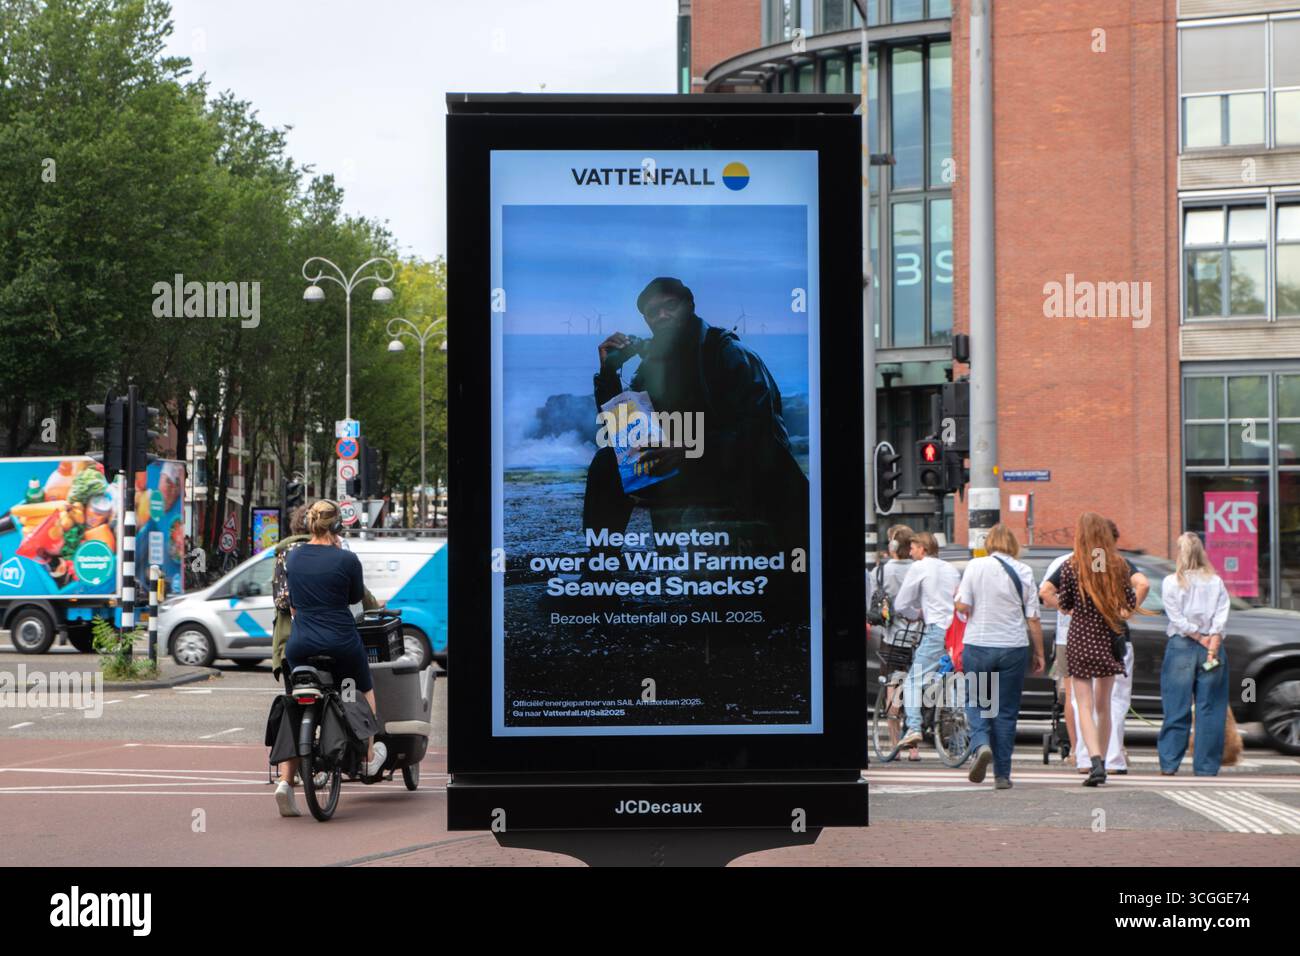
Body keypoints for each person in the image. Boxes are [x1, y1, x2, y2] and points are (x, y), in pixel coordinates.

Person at [583, 277, 808, 560]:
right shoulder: (652, 367)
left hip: (745, 473)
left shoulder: (728, 353)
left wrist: (690, 449)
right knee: (606, 464)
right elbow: (626, 441)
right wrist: (608, 375)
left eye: (671, 306)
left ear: (689, 305)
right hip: (691, 475)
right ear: (647, 320)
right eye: (653, 312)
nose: (662, 315)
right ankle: (599, 573)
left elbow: (761, 435)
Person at [273, 500, 386, 818]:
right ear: (337, 527)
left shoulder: (293, 558)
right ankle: (367, 754)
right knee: (363, 687)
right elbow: (354, 598)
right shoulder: (347, 559)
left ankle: (284, 782)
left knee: (295, 703)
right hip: (341, 642)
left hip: (300, 644)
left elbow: (292, 604)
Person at [1040, 518, 1149, 774]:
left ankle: (1093, 759)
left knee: (1083, 705)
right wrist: (1126, 610)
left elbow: (1046, 592)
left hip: (1079, 638)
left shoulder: (1071, 565)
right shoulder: (1116, 563)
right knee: (1106, 704)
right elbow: (1142, 584)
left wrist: (1067, 609)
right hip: (1109, 636)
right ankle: (1107, 758)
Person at [954, 524, 1046, 789]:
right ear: (1013, 544)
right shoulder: (1024, 571)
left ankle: (981, 744)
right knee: (1005, 712)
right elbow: (1033, 618)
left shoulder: (975, 566)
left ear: (990, 543)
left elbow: (963, 605)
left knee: (978, 701)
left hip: (980, 646)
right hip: (1013, 647)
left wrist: (959, 603)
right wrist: (1039, 653)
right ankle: (1003, 775)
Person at [1157, 532, 1231, 776]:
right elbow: (1221, 614)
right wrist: (1213, 638)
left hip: (1181, 647)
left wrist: (1197, 636)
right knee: (1211, 708)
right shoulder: (1216, 581)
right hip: (1212, 647)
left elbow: (1175, 618)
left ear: (1180, 553)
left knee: (1175, 706)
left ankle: (1169, 764)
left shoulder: (1171, 582)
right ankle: (1206, 767)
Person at [893, 531, 961, 752]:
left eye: (912, 548)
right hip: (956, 631)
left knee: (913, 680)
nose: (910, 552)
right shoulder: (951, 569)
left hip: (935, 629)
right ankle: (958, 739)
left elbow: (902, 603)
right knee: (954, 679)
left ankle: (914, 726)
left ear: (922, 548)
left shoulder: (920, 567)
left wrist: (915, 614)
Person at [270, 504, 311, 682]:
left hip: (288, 636)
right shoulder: (328, 550)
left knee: (292, 693)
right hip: (324, 635)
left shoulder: (283, 553)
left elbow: (280, 601)